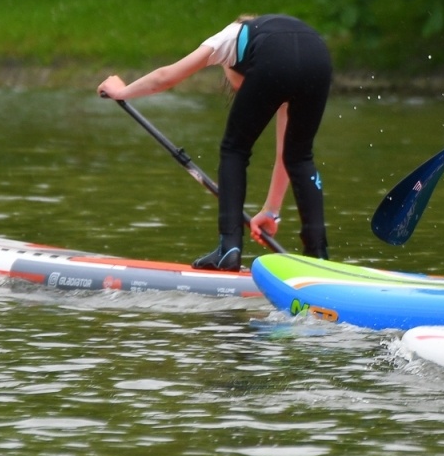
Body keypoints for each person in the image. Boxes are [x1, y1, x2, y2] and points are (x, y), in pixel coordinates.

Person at [98, 14, 332, 271]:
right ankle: (318, 255)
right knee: (300, 156)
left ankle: (228, 248)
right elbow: (285, 157)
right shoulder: (277, 44)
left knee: (235, 149)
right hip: (318, 56)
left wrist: (122, 91)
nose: (238, 88)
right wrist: (270, 211)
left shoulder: (228, 37)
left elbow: (166, 77)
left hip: (278, 57)